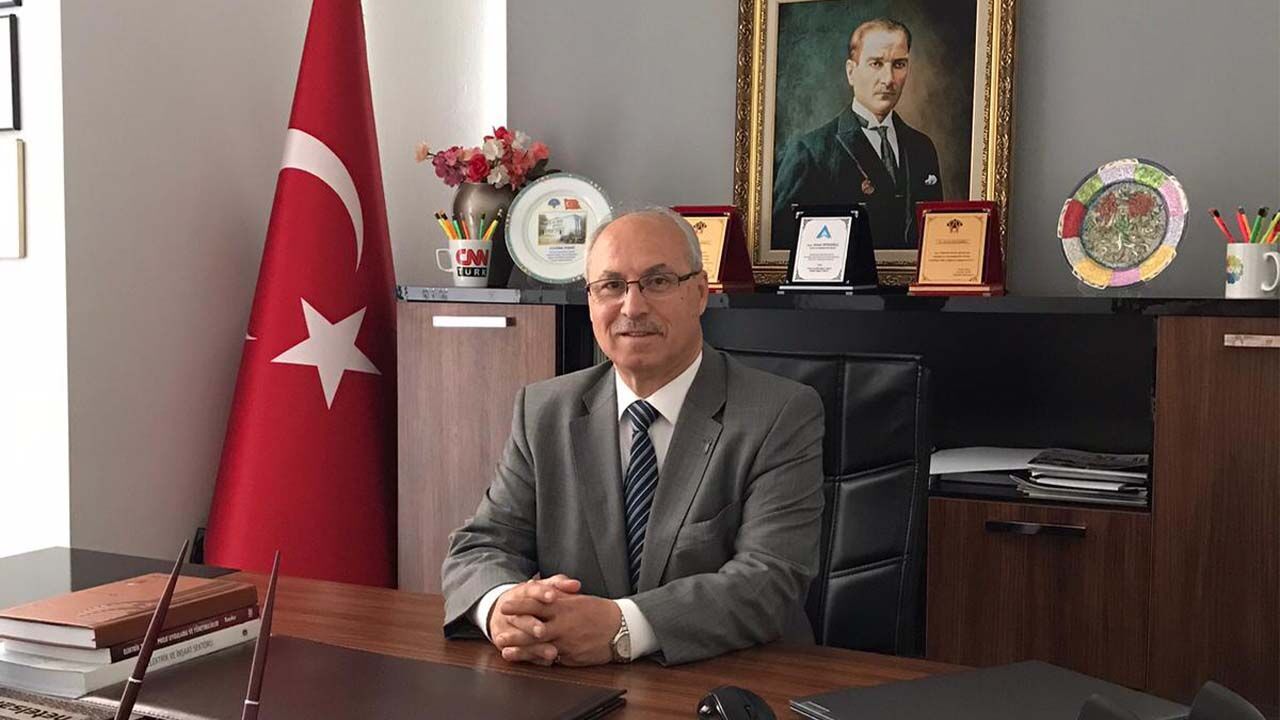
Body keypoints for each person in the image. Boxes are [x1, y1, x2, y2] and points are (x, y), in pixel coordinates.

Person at [441, 207, 825, 666]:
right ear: (590, 301)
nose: (632, 307)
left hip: (734, 679)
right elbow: (480, 547)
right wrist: (501, 608)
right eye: (610, 286)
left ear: (699, 294)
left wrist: (622, 626)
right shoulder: (544, 411)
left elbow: (770, 580)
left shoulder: (779, 413)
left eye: (658, 282)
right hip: (573, 680)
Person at [772, 18, 943, 252]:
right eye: (876, 63)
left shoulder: (922, 147)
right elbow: (782, 245)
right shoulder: (810, 152)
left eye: (899, 64)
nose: (888, 79)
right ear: (851, 72)